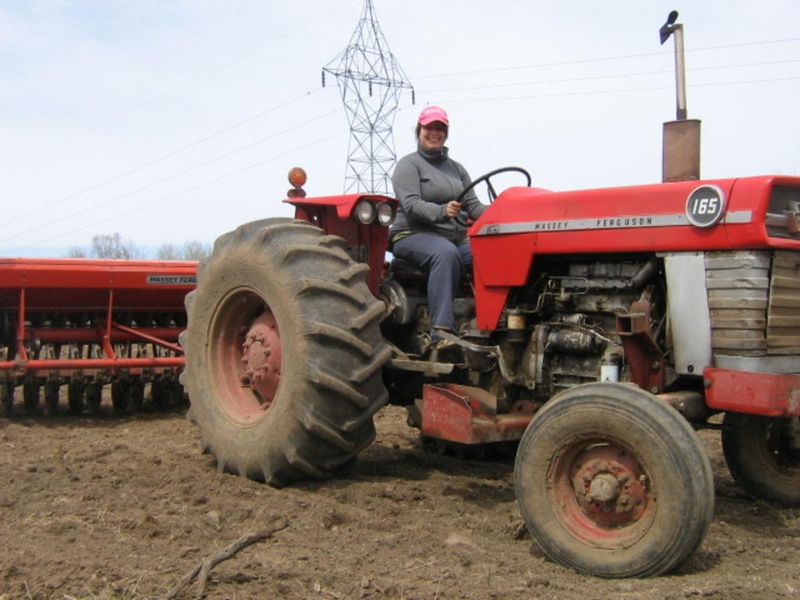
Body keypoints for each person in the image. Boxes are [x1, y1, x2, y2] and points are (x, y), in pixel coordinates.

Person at [390, 105, 486, 347]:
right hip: (412, 234)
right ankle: (442, 331)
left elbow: (473, 205)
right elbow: (411, 204)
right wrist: (442, 211)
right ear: (419, 131)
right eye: (429, 127)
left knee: (486, 253)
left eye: (440, 128)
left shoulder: (456, 168)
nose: (434, 132)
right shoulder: (409, 165)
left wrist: (503, 212)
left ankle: (487, 321)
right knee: (445, 254)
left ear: (446, 132)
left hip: (453, 237)